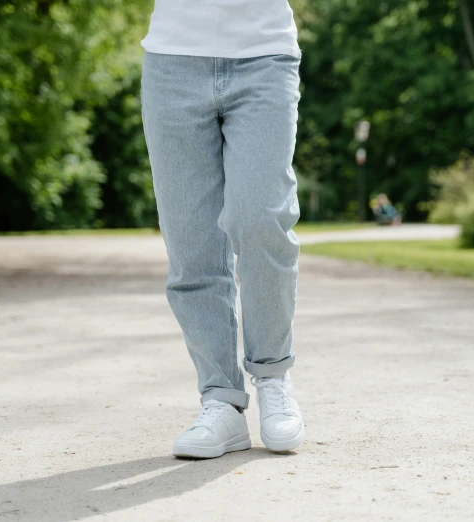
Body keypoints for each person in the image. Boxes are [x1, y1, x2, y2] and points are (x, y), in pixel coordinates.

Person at [140, 0, 305, 459]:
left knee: (262, 218)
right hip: (172, 62)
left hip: (265, 56)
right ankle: (221, 401)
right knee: (190, 241)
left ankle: (272, 377)